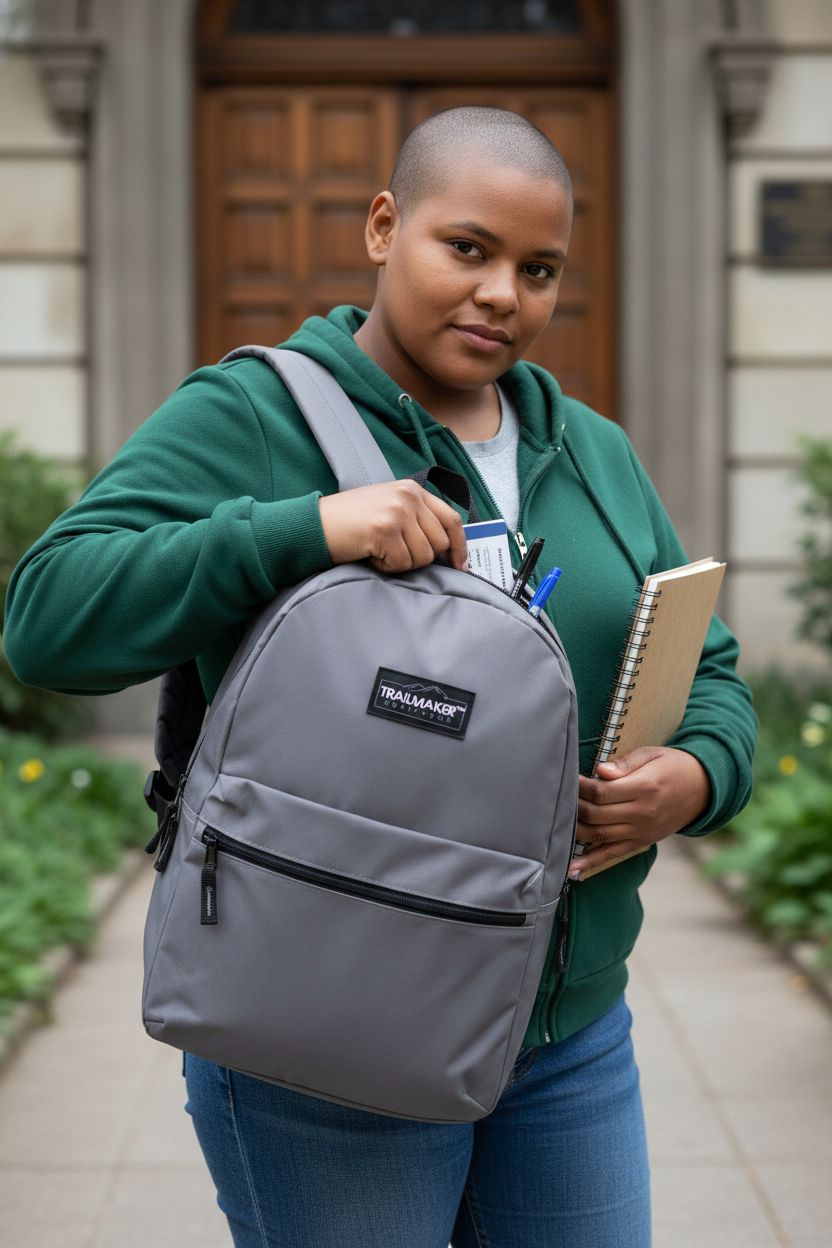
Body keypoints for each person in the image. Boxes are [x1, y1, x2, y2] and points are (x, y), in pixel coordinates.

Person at [3, 107, 756, 1247]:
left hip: (564, 1039)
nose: (503, 292)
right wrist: (296, 529)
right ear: (381, 226)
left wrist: (697, 775)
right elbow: (47, 618)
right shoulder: (253, 415)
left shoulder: (592, 451)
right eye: (468, 248)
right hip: (324, 1041)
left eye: (538, 269)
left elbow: (711, 668)